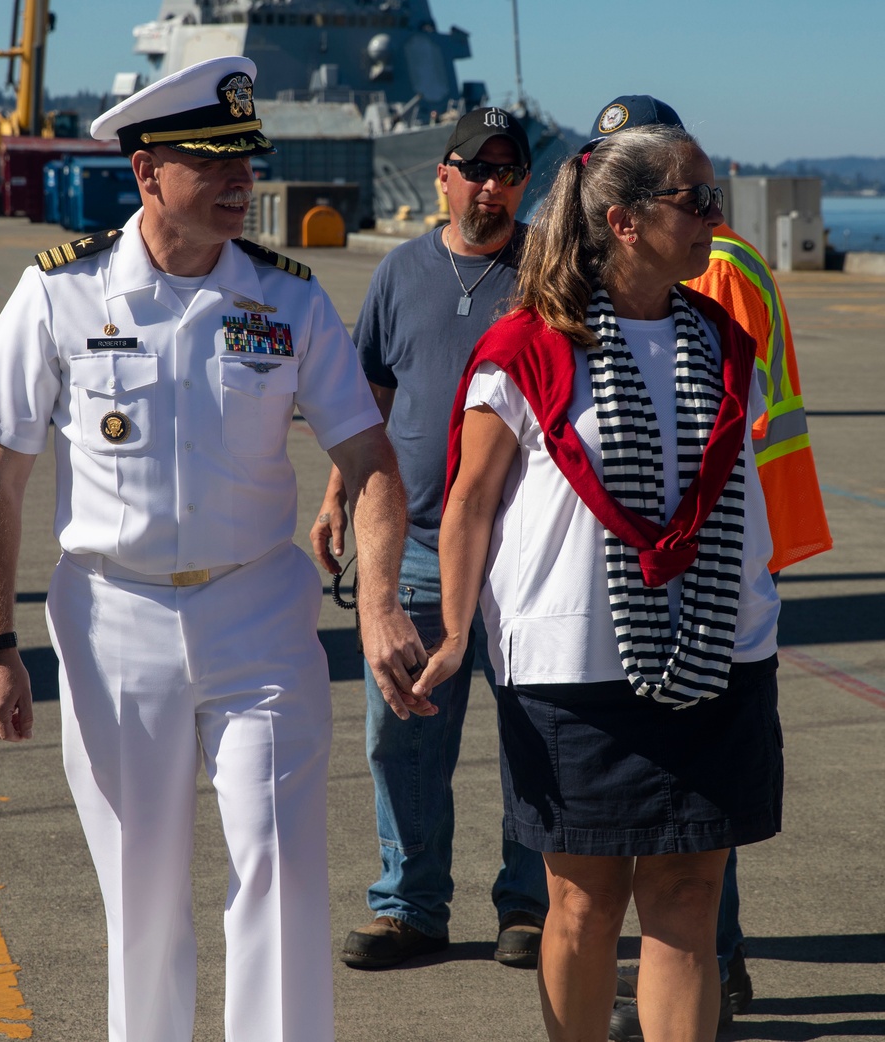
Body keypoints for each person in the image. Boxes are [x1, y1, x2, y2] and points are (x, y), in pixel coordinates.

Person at [0, 55, 430, 1042]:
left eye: (243, 161)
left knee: (286, 870)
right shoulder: (59, 294)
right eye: (210, 163)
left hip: (259, 613)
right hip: (111, 619)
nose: (238, 184)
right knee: (143, 890)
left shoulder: (288, 300)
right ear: (146, 172)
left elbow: (370, 457)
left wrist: (378, 599)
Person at [414, 123, 784, 1041]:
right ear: (622, 221)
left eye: (714, 198)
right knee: (581, 906)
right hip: (573, 667)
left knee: (692, 897)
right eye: (694, 201)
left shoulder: (728, 343)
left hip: (715, 653)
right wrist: (456, 634)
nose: (714, 217)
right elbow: (468, 505)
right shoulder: (529, 348)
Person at [584, 95, 832, 1042]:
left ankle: (711, 975)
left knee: (693, 834)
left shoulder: (711, 274)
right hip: (734, 537)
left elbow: (694, 424)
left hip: (716, 551)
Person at [309, 107, 549, 969]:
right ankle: (410, 905)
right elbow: (366, 397)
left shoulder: (552, 273)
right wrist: (338, 493)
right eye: (475, 168)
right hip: (410, 541)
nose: (492, 185)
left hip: (526, 551)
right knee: (402, 731)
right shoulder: (400, 272)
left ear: (525, 181)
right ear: (443, 176)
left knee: (534, 733)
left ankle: (529, 904)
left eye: (508, 170)